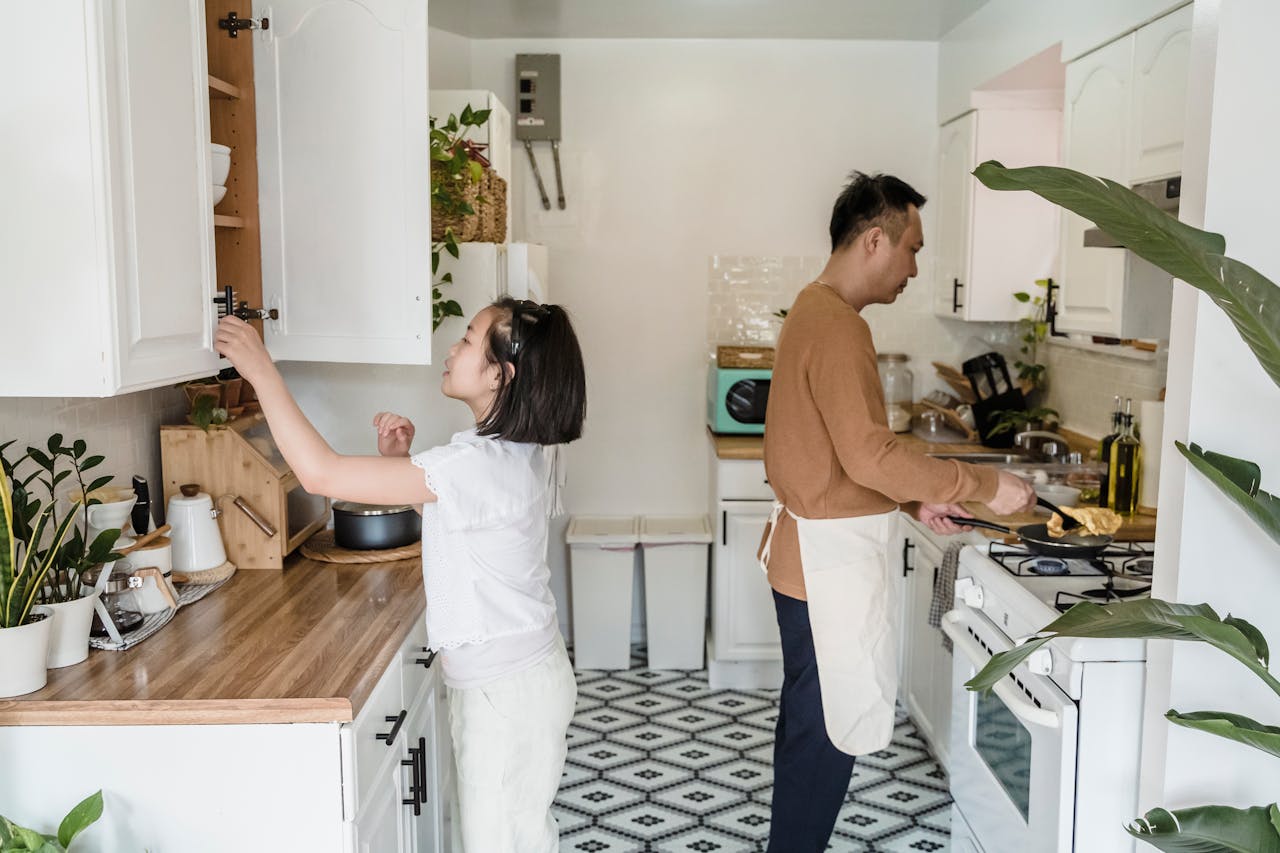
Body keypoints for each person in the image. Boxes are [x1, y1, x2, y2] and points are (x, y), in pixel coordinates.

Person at [215, 297, 587, 853]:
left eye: (467, 340)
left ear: (499, 375)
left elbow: (320, 475)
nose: (452, 348)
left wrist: (263, 372)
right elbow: (466, 524)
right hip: (516, 684)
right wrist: (399, 461)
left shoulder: (478, 465)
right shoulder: (504, 453)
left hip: (506, 696)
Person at [757, 172, 1036, 851]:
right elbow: (868, 451)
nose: (915, 265)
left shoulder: (814, 310)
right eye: (911, 246)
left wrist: (917, 492)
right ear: (875, 240)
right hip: (826, 569)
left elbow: (845, 455)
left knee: (813, 733)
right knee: (825, 739)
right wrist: (976, 483)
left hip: (809, 561)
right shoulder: (837, 323)